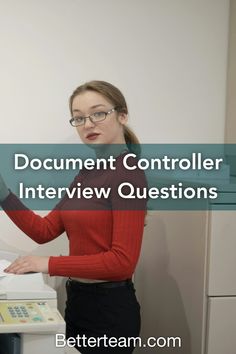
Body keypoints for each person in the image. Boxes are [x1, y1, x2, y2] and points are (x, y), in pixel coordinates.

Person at [0, 80, 147, 353]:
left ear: (122, 115)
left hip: (109, 312)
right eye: (79, 118)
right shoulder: (86, 174)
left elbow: (122, 263)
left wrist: (47, 263)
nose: (88, 123)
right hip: (79, 302)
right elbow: (43, 231)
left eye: (98, 113)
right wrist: (5, 195)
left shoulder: (128, 173)